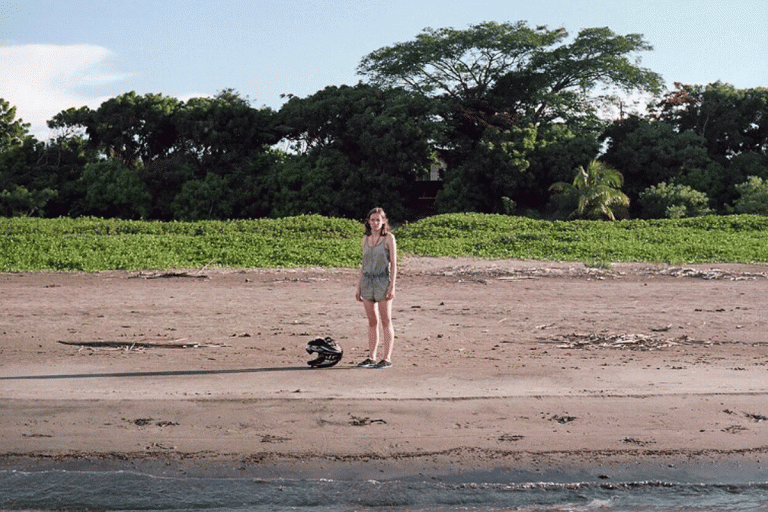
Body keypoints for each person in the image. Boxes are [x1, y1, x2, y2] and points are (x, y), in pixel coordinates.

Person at [355, 207, 397, 369]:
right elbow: (363, 264)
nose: (375, 223)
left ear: (383, 221)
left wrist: (392, 285)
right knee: (372, 321)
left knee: (386, 320)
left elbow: (393, 264)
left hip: (382, 282)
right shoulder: (365, 239)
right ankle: (371, 357)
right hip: (367, 282)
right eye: (372, 220)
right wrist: (358, 287)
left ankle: (386, 358)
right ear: (368, 221)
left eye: (378, 220)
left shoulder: (389, 238)